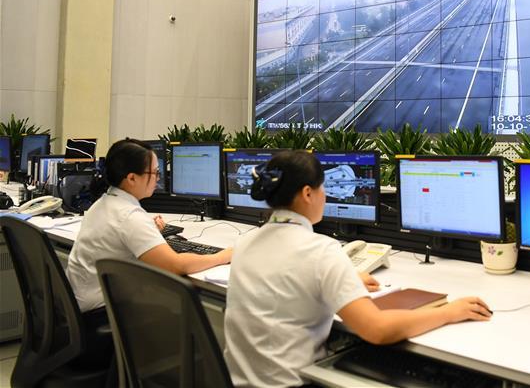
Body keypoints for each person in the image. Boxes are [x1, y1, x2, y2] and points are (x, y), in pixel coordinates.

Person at [224, 150, 492, 387]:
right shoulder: (320, 251)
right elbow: (377, 330)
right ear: (307, 193)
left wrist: (342, 282)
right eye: (322, 188)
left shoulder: (245, 242)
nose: (325, 195)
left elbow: (287, 282)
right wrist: (449, 312)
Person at [66, 138, 232, 317]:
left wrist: (148, 232)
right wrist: (222, 256)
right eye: (155, 173)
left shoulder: (104, 203)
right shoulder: (129, 216)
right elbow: (174, 265)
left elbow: (120, 235)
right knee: (179, 307)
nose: (158, 178)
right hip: (99, 311)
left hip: (79, 302)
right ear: (132, 178)